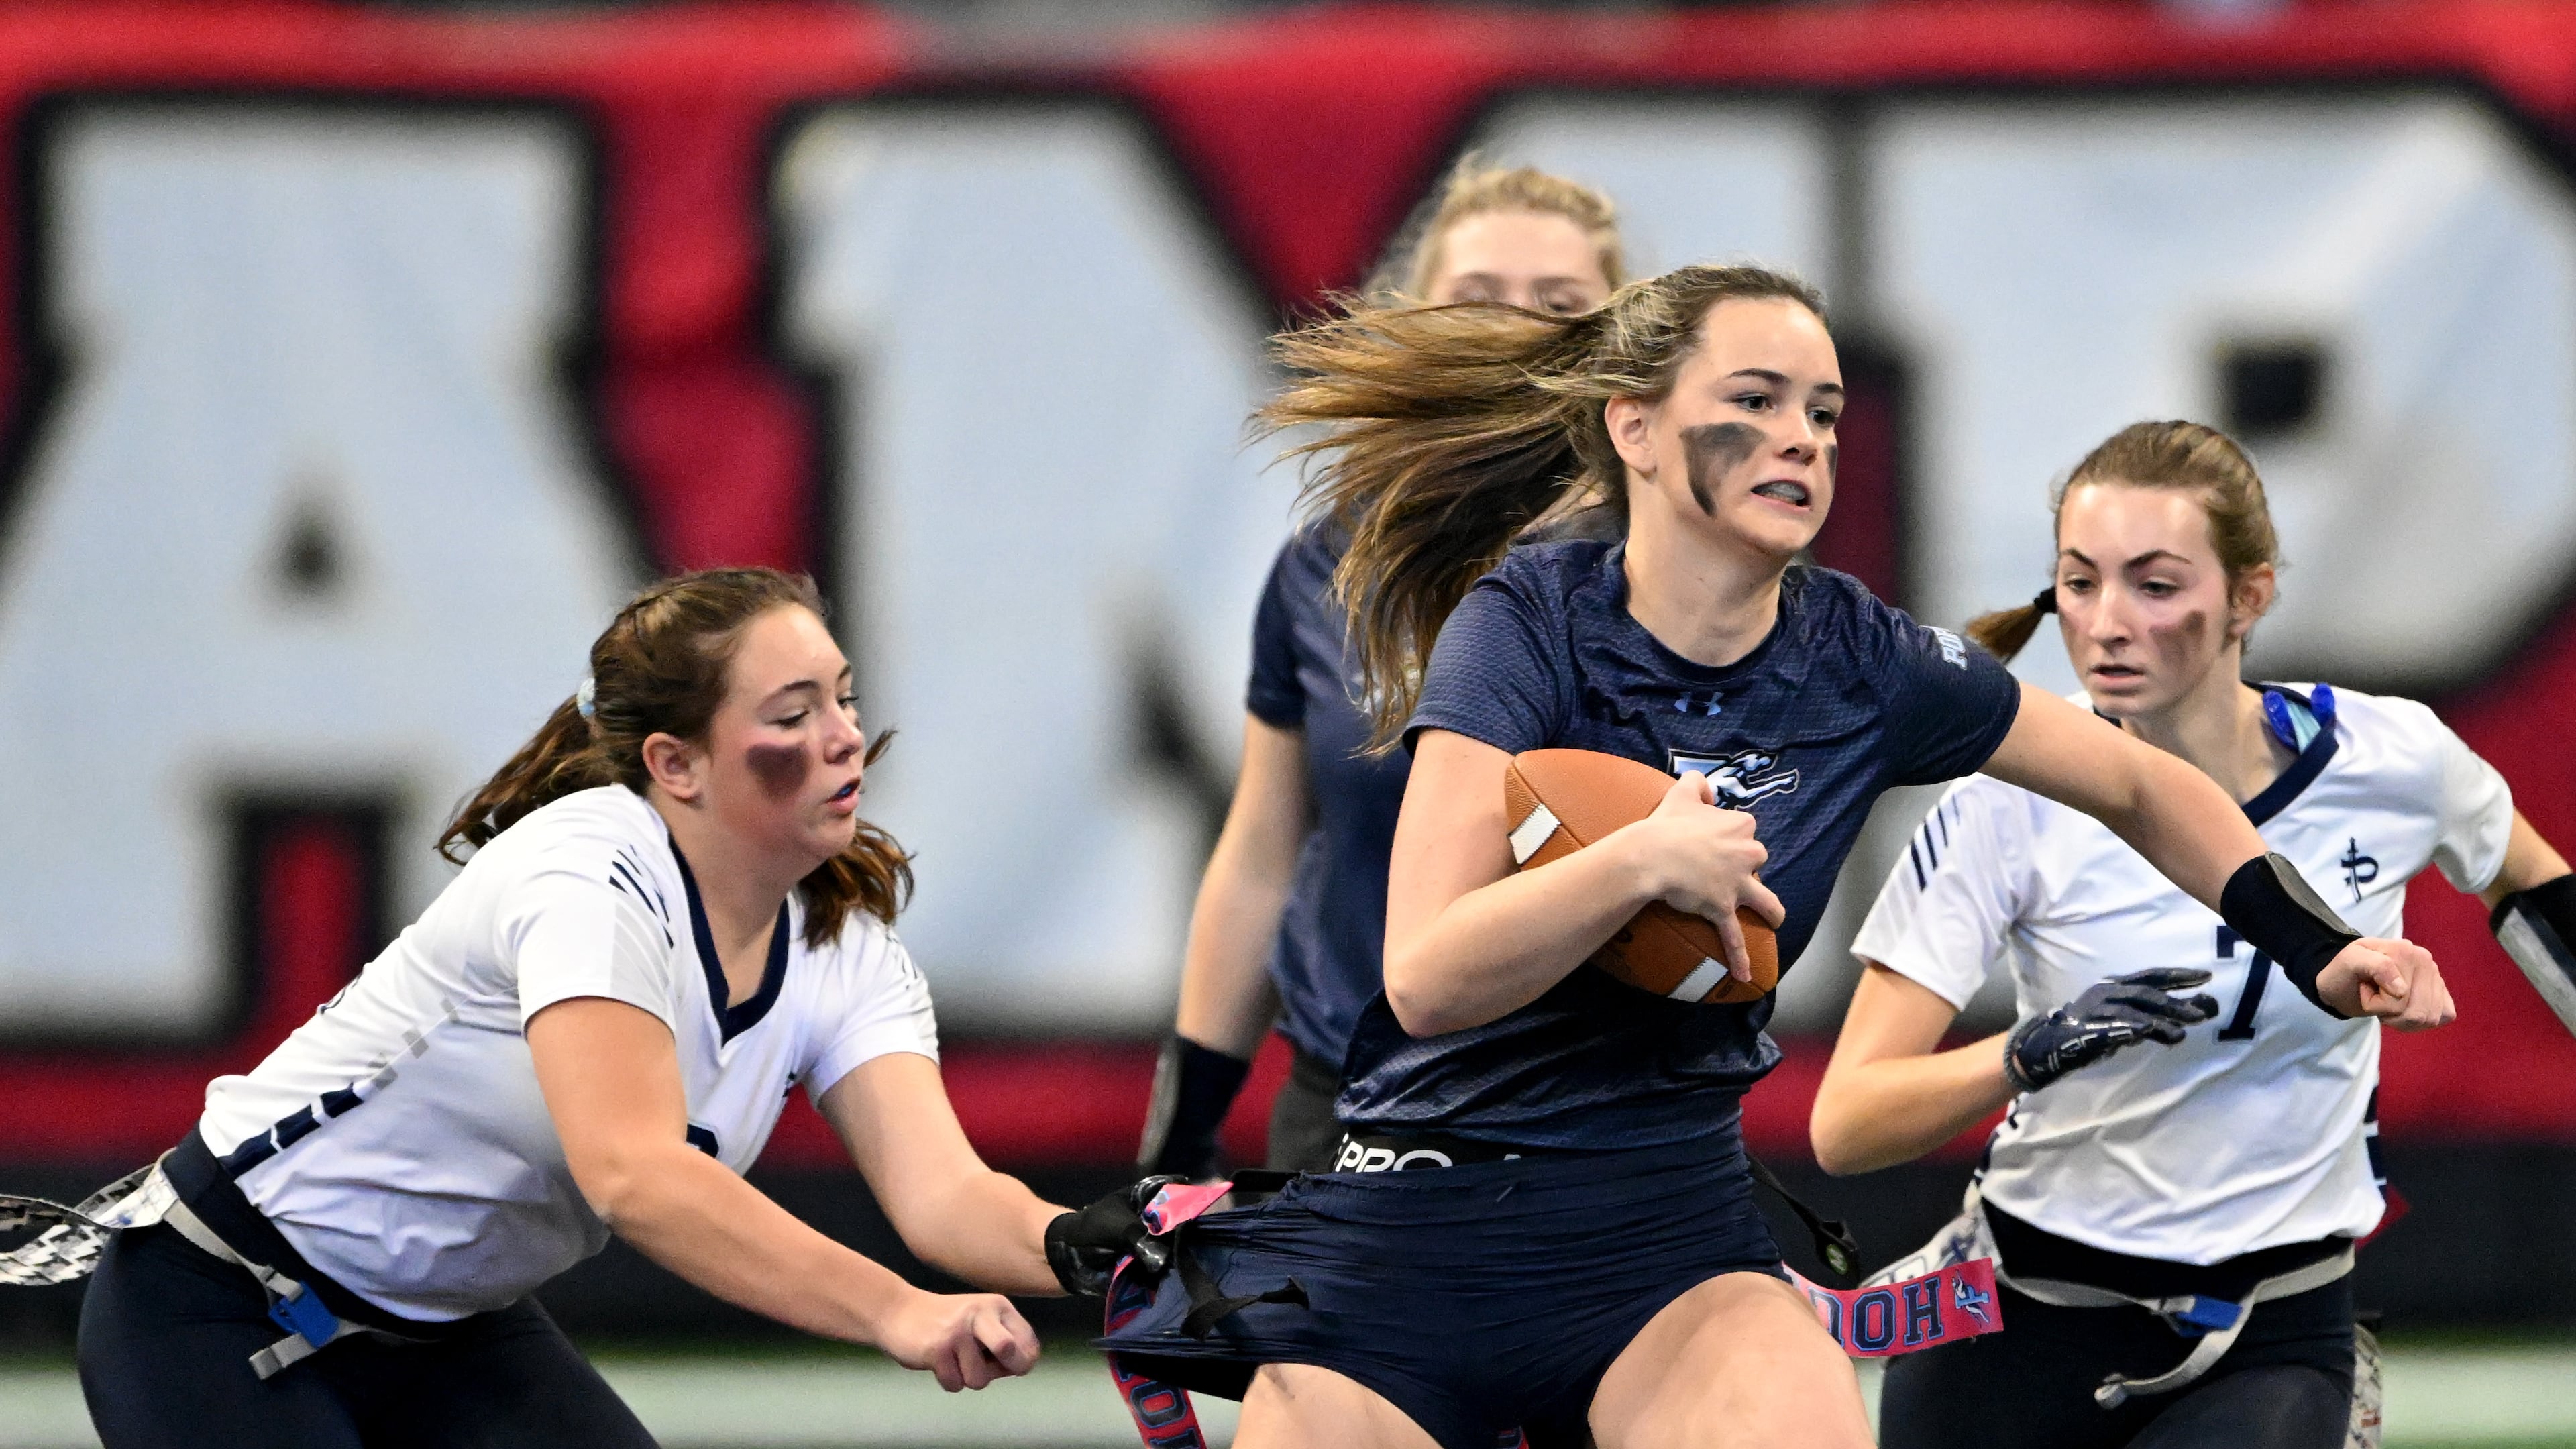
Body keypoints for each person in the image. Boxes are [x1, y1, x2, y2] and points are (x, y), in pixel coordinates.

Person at [1094, 266, 2446, 1449]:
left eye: (1824, 411)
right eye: (1755, 400)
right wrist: (1634, 865)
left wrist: (2323, 951)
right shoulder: (1524, 624)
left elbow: (2144, 784)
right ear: (1636, 427)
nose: (1800, 438)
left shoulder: (1857, 653)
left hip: (1663, 1235)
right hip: (1420, 1222)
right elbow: (1429, 978)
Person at [66, 569, 1087, 1448]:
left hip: (445, 1329)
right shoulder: (589, 870)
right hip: (218, 1298)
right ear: (673, 764)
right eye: (792, 714)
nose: (845, 739)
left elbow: (947, 1198)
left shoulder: (840, 945)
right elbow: (634, 1176)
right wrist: (895, 1311)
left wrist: (1119, 1252)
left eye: (844, 699)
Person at [1809, 421, 2575, 1449]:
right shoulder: (2011, 800)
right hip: (2022, 1314)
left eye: (2155, 585)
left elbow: (2531, 884)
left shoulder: (2395, 758)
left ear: (2250, 596)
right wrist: (2023, 1055)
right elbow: (1847, 1122)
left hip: (2273, 1331)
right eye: (2079, 584)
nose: (2108, 623)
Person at [1141, 160, 1627, 1179]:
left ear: (1617, 343)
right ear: (1416, 319)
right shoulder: (1327, 566)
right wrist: (1181, 1136)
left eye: (1560, 303)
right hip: (1353, 1101)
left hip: (1589, 1110)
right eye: (1478, 295)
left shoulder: (1663, 572)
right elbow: (1263, 854)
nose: (1515, 326)